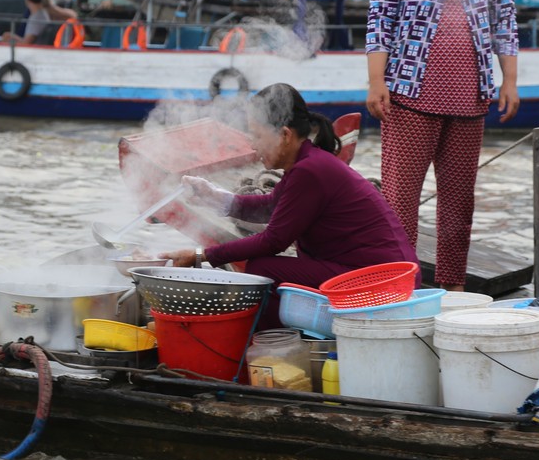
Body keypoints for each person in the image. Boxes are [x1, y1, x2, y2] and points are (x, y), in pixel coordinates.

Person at [365, 0, 519, 292]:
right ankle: (401, 286)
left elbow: (503, 18)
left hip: (470, 99)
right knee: (399, 202)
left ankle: (452, 289)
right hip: (410, 96)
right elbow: (380, 21)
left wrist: (508, 80)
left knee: (458, 205)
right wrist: (377, 82)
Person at [161, 83, 419, 329]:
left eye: (257, 136)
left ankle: (273, 344)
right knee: (266, 266)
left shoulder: (310, 170)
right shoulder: (309, 163)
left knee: (264, 269)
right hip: (387, 276)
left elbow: (273, 241)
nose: (253, 145)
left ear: (285, 135)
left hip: (386, 281)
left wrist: (201, 255)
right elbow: (270, 206)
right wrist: (215, 198)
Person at [1, 0, 77, 45]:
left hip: (32, 51)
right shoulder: (42, 14)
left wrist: (9, 36)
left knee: (6, 36)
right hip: (37, 47)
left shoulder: (37, 17)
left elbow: (27, 43)